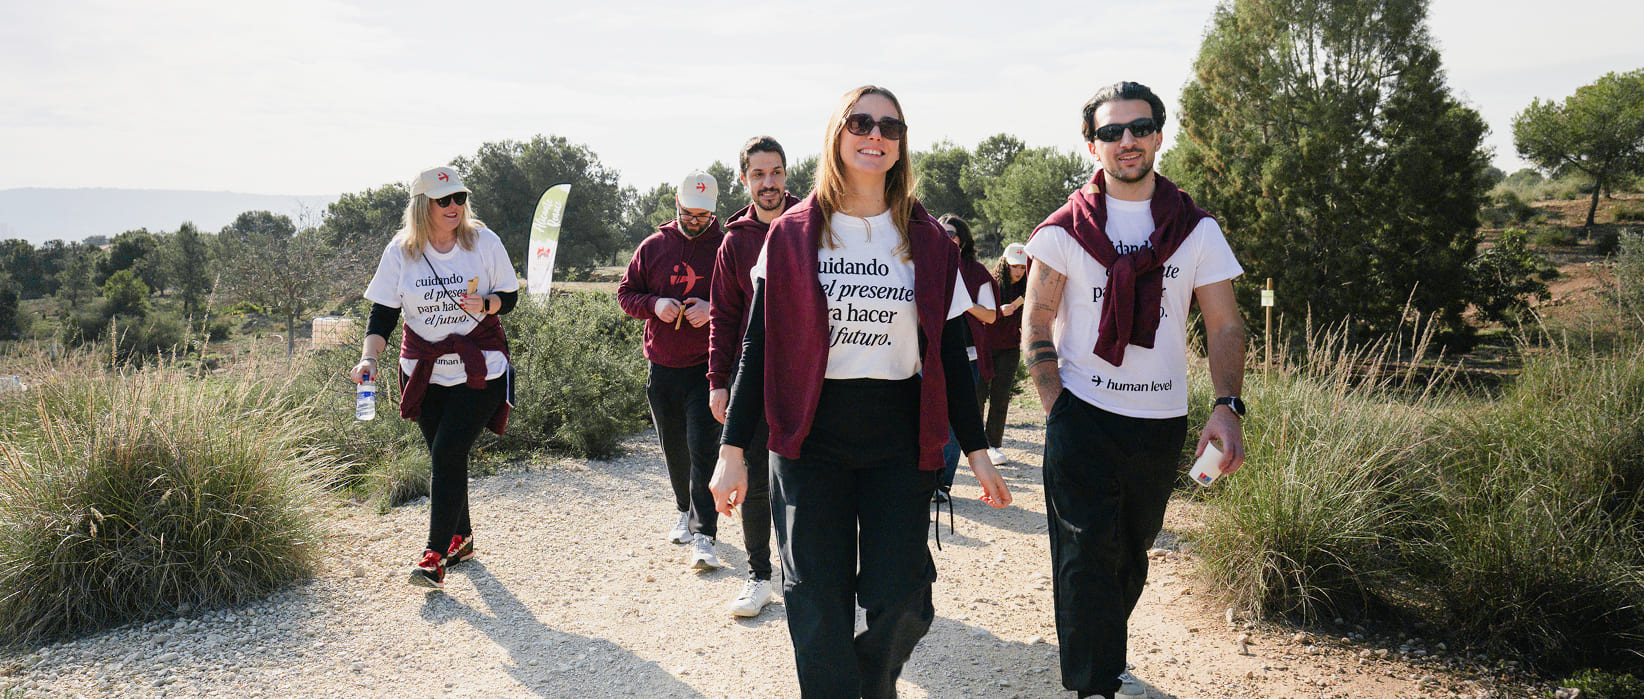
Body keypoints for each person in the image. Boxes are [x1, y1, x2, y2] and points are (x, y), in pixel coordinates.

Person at [709, 85, 1013, 698]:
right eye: (861, 122)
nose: (875, 135)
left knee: (905, 600)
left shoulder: (927, 240)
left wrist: (977, 448)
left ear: (901, 144)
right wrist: (731, 451)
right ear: (838, 135)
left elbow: (950, 353)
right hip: (809, 436)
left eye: (890, 127)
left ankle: (867, 682)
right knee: (815, 598)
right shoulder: (793, 233)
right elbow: (758, 347)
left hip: (898, 436)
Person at [1022, 81, 1247, 698]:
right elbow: (1036, 320)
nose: (1127, 141)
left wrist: (1227, 408)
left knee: (1130, 553)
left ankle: (1104, 651)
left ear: (1158, 135)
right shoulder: (1064, 230)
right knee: (1083, 554)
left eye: (1139, 127)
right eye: (1112, 131)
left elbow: (1226, 325)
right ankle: (1094, 684)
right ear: (1091, 145)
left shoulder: (1196, 229)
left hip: (1160, 419)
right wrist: (1056, 406)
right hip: (1083, 413)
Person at [352, 165, 521, 589]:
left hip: (480, 367)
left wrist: (487, 303)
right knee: (448, 458)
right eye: (443, 200)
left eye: (459, 198)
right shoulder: (400, 252)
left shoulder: (483, 241)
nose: (453, 207)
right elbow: (384, 313)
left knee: (446, 454)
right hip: (424, 371)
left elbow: (510, 296)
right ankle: (460, 539)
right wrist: (368, 358)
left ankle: (433, 556)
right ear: (422, 205)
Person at [707, 136, 800, 618]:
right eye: (759, 174)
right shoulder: (734, 241)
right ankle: (760, 576)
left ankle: (809, 577)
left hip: (807, 378)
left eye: (777, 172)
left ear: (787, 175)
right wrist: (718, 380)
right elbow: (724, 316)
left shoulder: (811, 226)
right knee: (756, 483)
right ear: (744, 180)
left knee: (806, 479)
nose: (770, 183)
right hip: (754, 378)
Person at [618, 170, 727, 572]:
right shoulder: (654, 247)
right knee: (674, 447)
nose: (696, 222)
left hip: (708, 366)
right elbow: (625, 294)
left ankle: (705, 535)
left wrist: (711, 309)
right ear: (676, 206)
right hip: (662, 365)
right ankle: (684, 508)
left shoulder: (725, 246)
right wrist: (654, 305)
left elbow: (744, 299)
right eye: (689, 214)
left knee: (703, 449)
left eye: (704, 216)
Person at [936, 214, 998, 500]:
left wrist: (961, 302)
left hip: (967, 356)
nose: (946, 237)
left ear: (962, 239)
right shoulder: (928, 262)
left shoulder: (977, 272)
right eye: (942, 232)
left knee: (954, 423)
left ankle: (943, 484)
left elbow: (990, 315)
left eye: (952, 233)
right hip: (929, 355)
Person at [976, 242, 1029, 464]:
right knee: (978, 394)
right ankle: (974, 442)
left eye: (1022, 268)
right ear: (1004, 264)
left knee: (1000, 397)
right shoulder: (990, 284)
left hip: (1009, 348)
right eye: (1014, 266)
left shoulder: (1028, 288)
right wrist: (998, 312)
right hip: (984, 346)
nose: (1018, 272)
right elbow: (977, 312)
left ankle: (993, 445)